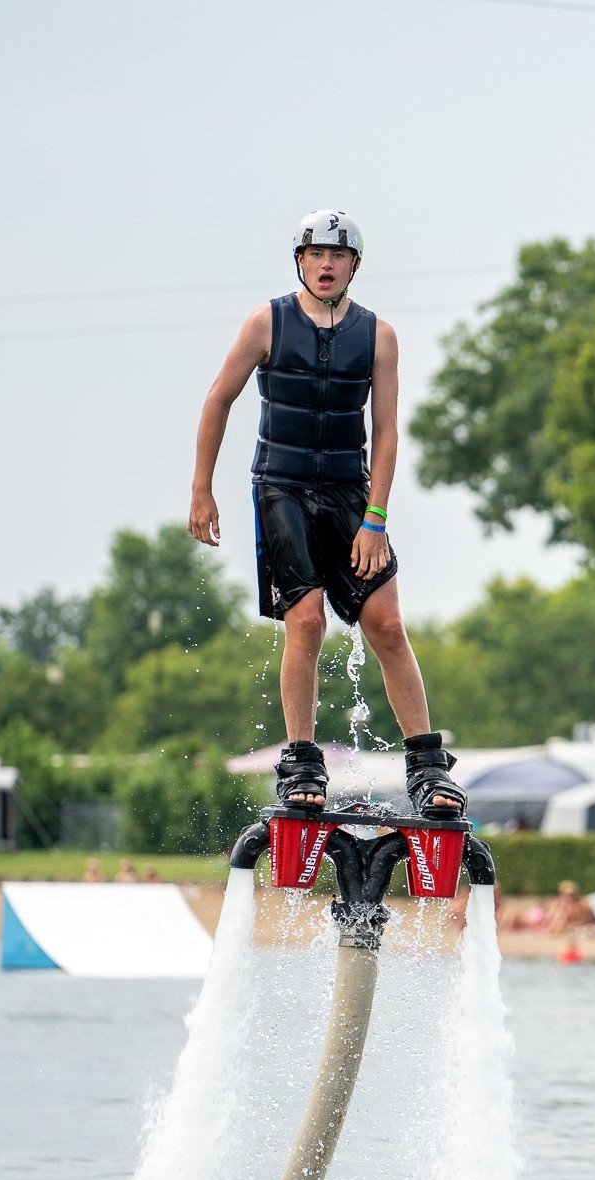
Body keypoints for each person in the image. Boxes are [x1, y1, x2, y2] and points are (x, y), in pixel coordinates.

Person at [188, 209, 463, 820]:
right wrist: (201, 489)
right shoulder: (267, 321)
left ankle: (425, 765)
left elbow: (387, 431)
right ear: (300, 261)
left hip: (348, 492)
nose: (326, 265)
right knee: (306, 620)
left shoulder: (379, 335)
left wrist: (376, 518)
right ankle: (302, 761)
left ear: (354, 266)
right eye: (316, 255)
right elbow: (218, 399)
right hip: (280, 487)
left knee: (387, 624)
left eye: (338, 257)